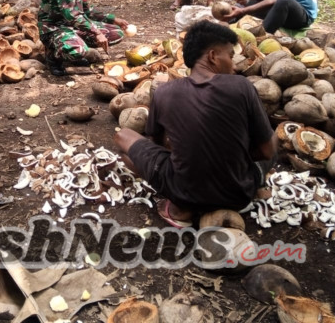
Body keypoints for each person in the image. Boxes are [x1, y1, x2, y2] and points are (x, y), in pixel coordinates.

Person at [113, 20, 276, 227]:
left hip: (183, 193)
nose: (234, 66)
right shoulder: (242, 86)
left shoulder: (164, 92)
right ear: (213, 56)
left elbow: (156, 146)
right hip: (239, 194)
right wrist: (233, 154)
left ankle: (180, 209)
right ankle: (257, 186)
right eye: (231, 57)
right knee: (272, 141)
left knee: (122, 137)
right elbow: (267, 151)